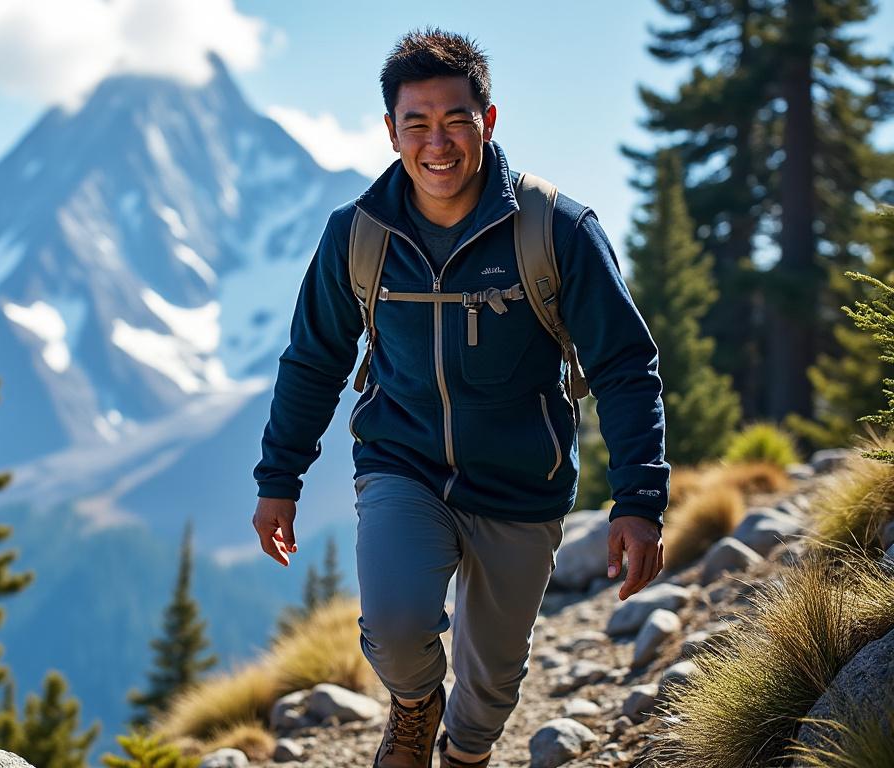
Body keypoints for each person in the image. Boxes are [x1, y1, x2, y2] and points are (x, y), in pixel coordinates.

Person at [251, 29, 669, 768]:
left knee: (493, 684)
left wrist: (638, 498)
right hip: (401, 465)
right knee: (395, 622)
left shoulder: (557, 229)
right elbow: (313, 359)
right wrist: (278, 480)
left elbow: (625, 366)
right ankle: (414, 708)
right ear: (391, 132)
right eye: (416, 123)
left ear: (489, 121)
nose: (436, 143)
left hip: (523, 484)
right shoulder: (358, 234)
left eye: (455, 121)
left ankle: (466, 752)